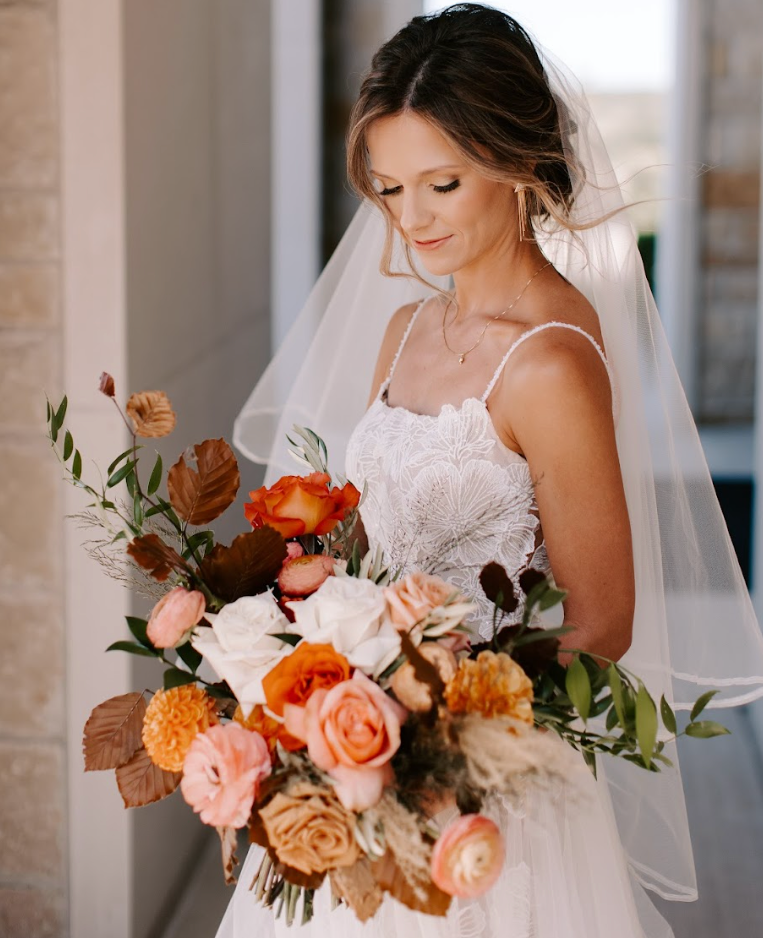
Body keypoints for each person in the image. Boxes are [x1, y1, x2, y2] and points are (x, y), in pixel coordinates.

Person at [227, 5, 763, 936]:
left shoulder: (550, 363)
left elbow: (603, 621)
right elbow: (368, 545)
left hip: (476, 788)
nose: (411, 219)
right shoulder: (405, 330)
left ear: (515, 167)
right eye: (391, 189)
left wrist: (429, 730)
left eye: (441, 182)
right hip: (359, 759)